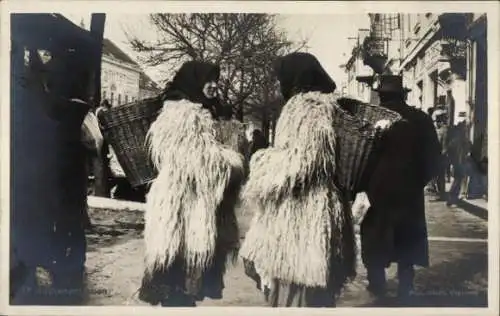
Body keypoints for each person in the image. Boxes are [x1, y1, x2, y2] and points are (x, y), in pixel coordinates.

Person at [239, 52, 356, 307]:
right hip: (312, 212)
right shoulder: (322, 108)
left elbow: (303, 162)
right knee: (305, 291)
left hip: (302, 214)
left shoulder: (306, 109)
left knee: (295, 290)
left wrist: (262, 163)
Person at [138, 60, 246, 307]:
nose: (214, 86)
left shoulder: (206, 112)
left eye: (216, 80)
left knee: (186, 282)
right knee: (178, 281)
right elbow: (196, 161)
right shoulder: (181, 114)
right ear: (194, 81)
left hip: (194, 203)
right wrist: (231, 164)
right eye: (208, 80)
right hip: (181, 206)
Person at [10, 15, 101, 304]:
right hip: (50, 163)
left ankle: (54, 275)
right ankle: (58, 273)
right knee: (59, 219)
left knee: (57, 217)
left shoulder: (51, 75)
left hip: (55, 161)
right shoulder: (44, 75)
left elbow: (70, 120)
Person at [359, 75, 441, 304]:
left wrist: (363, 183)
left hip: (377, 191)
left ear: (381, 95)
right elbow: (434, 157)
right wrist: (419, 181)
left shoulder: (370, 120)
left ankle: (377, 283)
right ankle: (406, 285)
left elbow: (359, 158)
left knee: (375, 235)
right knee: (408, 236)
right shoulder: (421, 119)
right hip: (410, 191)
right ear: (403, 94)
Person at [446, 112, 472, 206]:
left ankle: (453, 198)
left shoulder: (455, 141)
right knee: (457, 181)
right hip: (460, 163)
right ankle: (451, 198)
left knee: (457, 181)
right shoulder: (462, 141)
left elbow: (450, 150)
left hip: (457, 162)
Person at [432, 108, 449, 201]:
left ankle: (442, 194)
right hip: (437, 155)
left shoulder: (444, 129)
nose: (436, 121)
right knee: (438, 176)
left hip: (441, 157)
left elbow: (445, 145)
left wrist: (441, 156)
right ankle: (440, 193)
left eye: (438, 119)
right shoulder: (438, 129)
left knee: (440, 176)